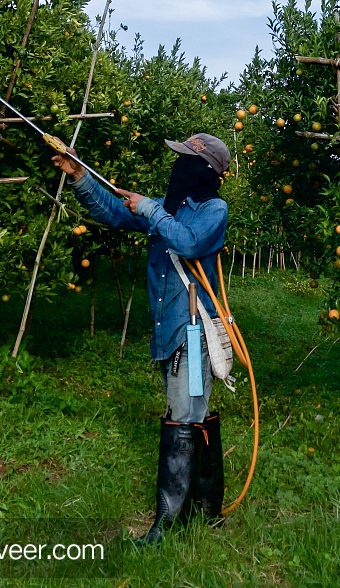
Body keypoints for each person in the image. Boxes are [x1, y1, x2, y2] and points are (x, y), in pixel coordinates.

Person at [52, 133, 231, 547]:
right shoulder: (171, 209)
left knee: (183, 417)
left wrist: (150, 208)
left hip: (195, 332)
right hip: (171, 329)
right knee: (189, 414)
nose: (178, 167)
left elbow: (187, 242)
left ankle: (166, 528)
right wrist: (80, 174)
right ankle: (206, 510)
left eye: (186, 161)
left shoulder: (213, 210)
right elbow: (114, 212)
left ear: (204, 171)